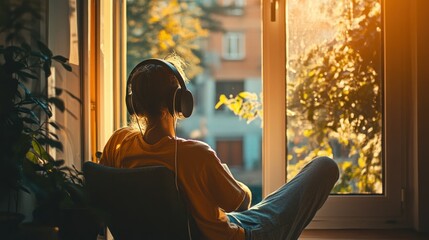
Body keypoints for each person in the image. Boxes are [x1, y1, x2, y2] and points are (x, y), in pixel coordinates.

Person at [100, 55, 339, 240]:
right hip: (232, 236)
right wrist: (224, 172)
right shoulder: (196, 155)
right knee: (324, 167)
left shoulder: (119, 143)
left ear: (134, 105)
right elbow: (241, 202)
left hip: (205, 227)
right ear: (179, 102)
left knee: (260, 209)